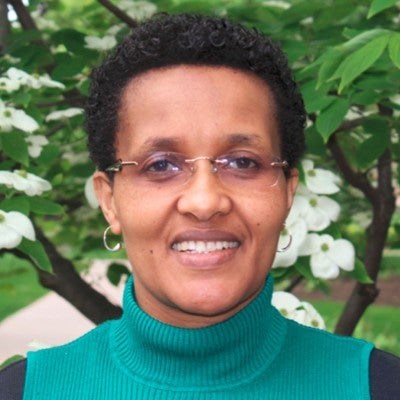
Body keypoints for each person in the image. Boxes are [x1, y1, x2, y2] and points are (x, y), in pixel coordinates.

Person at [1, 13, 399, 400]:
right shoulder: (20, 392)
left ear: (287, 192)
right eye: (161, 165)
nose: (205, 201)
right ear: (110, 201)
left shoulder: (380, 388)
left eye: (243, 162)